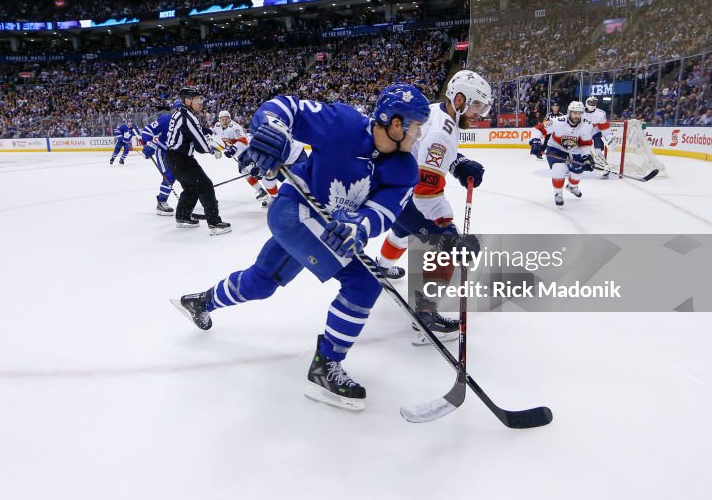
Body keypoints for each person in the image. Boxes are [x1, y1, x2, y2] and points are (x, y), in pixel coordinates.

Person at [172, 83, 430, 411]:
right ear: (396, 124)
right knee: (364, 281)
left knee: (262, 282)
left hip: (320, 226)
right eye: (416, 127)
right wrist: (273, 129)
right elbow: (285, 107)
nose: (417, 135)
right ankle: (325, 368)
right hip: (295, 213)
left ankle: (202, 302)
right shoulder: (344, 124)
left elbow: (384, 211)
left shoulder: (405, 168)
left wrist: (359, 227)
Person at [375, 70, 492, 345]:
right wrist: (444, 229)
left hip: (390, 187)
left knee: (401, 232)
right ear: (460, 99)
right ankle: (426, 316)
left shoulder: (439, 113)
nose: (481, 113)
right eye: (477, 106)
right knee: (446, 243)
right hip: (404, 193)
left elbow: (434, 153)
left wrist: (458, 163)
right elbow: (425, 190)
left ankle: (381, 268)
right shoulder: (442, 128)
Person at [163, 86, 230, 234]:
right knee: (205, 185)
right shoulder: (187, 116)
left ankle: (183, 216)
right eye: (197, 99)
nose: (200, 102)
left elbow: (195, 136)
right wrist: (214, 149)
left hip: (174, 158)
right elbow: (201, 146)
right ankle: (214, 222)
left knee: (191, 187)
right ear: (187, 100)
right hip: (181, 159)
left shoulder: (181, 113)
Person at [530, 101, 594, 207]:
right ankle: (558, 192)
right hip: (556, 148)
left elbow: (585, 144)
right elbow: (538, 129)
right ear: (569, 112)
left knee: (578, 173)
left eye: (579, 113)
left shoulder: (587, 125)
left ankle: (572, 186)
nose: (577, 116)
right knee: (559, 169)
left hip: (575, 150)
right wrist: (535, 141)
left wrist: (586, 156)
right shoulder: (558, 121)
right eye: (574, 113)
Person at [140, 105, 178, 216]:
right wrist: (149, 143)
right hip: (164, 152)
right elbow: (147, 131)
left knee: (188, 175)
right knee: (169, 176)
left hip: (179, 153)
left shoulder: (189, 120)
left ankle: (195, 198)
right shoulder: (166, 119)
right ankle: (161, 201)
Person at [582, 96, 611, 177]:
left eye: (594, 102)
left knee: (597, 151)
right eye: (590, 102)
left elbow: (604, 127)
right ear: (587, 102)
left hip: (595, 134)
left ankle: (606, 167)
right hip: (582, 134)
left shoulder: (600, 114)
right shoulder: (579, 111)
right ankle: (572, 167)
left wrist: (608, 136)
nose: (592, 104)